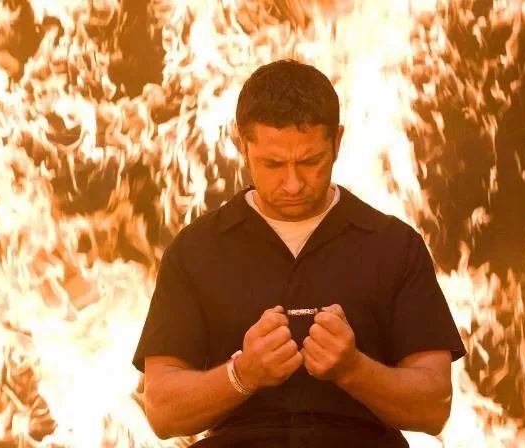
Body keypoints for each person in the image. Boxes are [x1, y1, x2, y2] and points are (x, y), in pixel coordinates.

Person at [132, 59, 466, 447]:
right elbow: (162, 412)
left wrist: (354, 369)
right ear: (242, 147)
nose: (292, 184)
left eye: (310, 161)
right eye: (272, 164)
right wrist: (243, 374)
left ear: (337, 142)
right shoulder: (196, 250)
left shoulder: (393, 245)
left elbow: (434, 406)